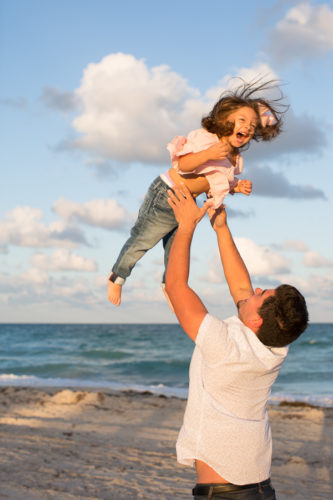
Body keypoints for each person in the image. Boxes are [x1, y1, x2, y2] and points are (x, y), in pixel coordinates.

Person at [165, 184, 308, 500]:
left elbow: (176, 287)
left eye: (262, 295)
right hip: (258, 486)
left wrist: (186, 227)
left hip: (226, 493)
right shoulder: (274, 346)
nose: (255, 290)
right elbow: (243, 292)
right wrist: (221, 227)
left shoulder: (225, 347)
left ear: (256, 322)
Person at [107, 79, 285, 306]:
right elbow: (184, 164)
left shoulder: (234, 159)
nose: (248, 127)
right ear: (224, 120)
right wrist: (208, 154)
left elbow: (216, 180)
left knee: (176, 252)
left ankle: (169, 287)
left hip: (186, 204)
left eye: (252, 124)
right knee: (144, 238)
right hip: (166, 194)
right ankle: (118, 275)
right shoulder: (206, 140)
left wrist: (236, 187)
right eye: (242, 120)